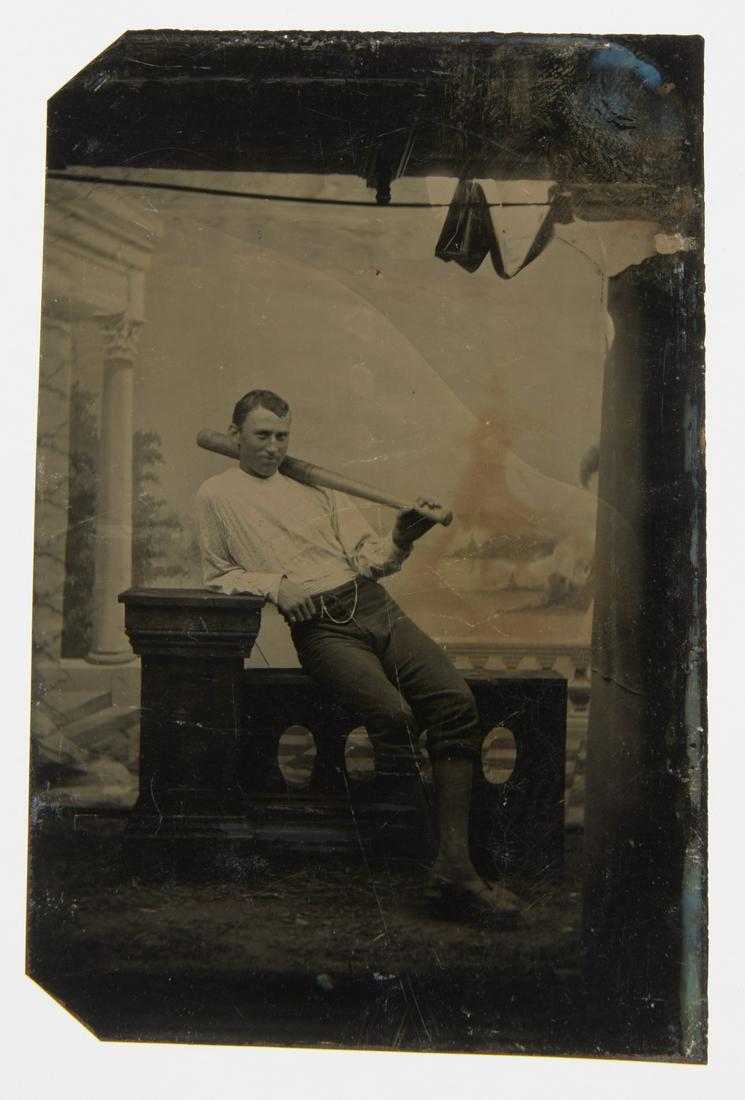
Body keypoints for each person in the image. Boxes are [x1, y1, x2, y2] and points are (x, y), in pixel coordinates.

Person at [197, 388, 520, 923]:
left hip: (373, 607)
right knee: (393, 716)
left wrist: (401, 536)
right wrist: (275, 582)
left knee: (455, 703)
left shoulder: (315, 484)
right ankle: (444, 869)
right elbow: (218, 574)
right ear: (235, 436)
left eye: (282, 437)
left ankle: (455, 866)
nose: (274, 448)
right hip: (322, 630)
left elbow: (372, 560)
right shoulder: (217, 494)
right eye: (261, 436)